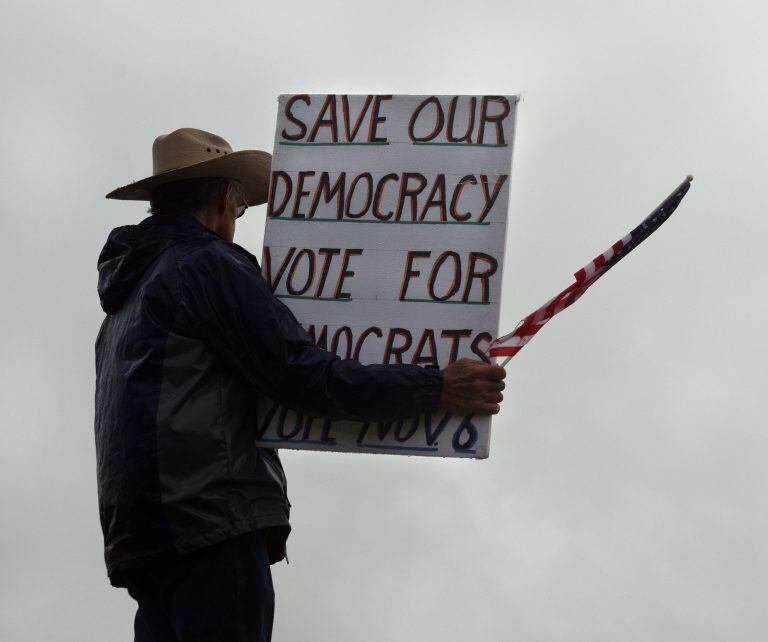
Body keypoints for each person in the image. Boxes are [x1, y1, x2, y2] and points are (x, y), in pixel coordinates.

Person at [95, 127, 506, 641]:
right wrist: (435, 387)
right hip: (210, 522)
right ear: (226, 198)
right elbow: (303, 374)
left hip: (143, 538)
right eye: (241, 208)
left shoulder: (123, 302)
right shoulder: (205, 265)